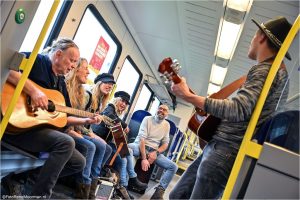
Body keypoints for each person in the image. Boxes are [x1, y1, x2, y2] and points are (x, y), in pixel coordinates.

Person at [169, 16, 291, 199]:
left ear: (262, 37)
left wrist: (188, 96)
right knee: (177, 195)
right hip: (222, 148)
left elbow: (238, 109)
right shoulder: (275, 73)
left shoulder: (264, 70)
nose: (251, 40)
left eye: (254, 35)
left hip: (225, 150)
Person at [2, 38, 103, 198]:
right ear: (58, 54)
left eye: (75, 63)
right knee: (66, 142)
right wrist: (33, 91)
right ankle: (40, 196)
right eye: (71, 60)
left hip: (36, 129)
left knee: (79, 162)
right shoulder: (36, 60)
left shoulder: (60, 83)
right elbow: (7, 68)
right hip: (16, 125)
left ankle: (23, 180)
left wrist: (85, 121)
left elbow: (63, 117)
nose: (72, 66)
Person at [65, 58, 113, 199]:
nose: (108, 86)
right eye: (106, 83)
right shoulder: (86, 95)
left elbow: (87, 124)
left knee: (107, 147)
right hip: (73, 128)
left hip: (80, 129)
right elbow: (78, 118)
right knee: (92, 146)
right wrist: (87, 133)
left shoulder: (99, 103)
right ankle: (83, 187)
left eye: (111, 86)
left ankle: (92, 183)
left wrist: (90, 132)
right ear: (99, 83)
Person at [91, 91, 147, 198]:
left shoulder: (116, 114)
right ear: (116, 100)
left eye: (126, 103)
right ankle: (123, 186)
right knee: (123, 158)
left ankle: (129, 180)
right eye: (122, 100)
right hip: (97, 137)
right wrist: (124, 125)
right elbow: (109, 116)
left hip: (106, 141)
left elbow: (116, 131)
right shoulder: (109, 108)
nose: (123, 104)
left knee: (127, 152)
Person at [128, 104, 178, 199]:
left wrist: (156, 152)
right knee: (128, 149)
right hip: (139, 146)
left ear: (167, 114)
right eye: (160, 108)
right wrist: (144, 158)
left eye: (164, 110)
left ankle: (158, 192)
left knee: (173, 167)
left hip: (153, 151)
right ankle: (126, 183)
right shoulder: (147, 119)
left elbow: (165, 144)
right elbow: (142, 139)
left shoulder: (166, 125)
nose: (161, 111)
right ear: (157, 109)